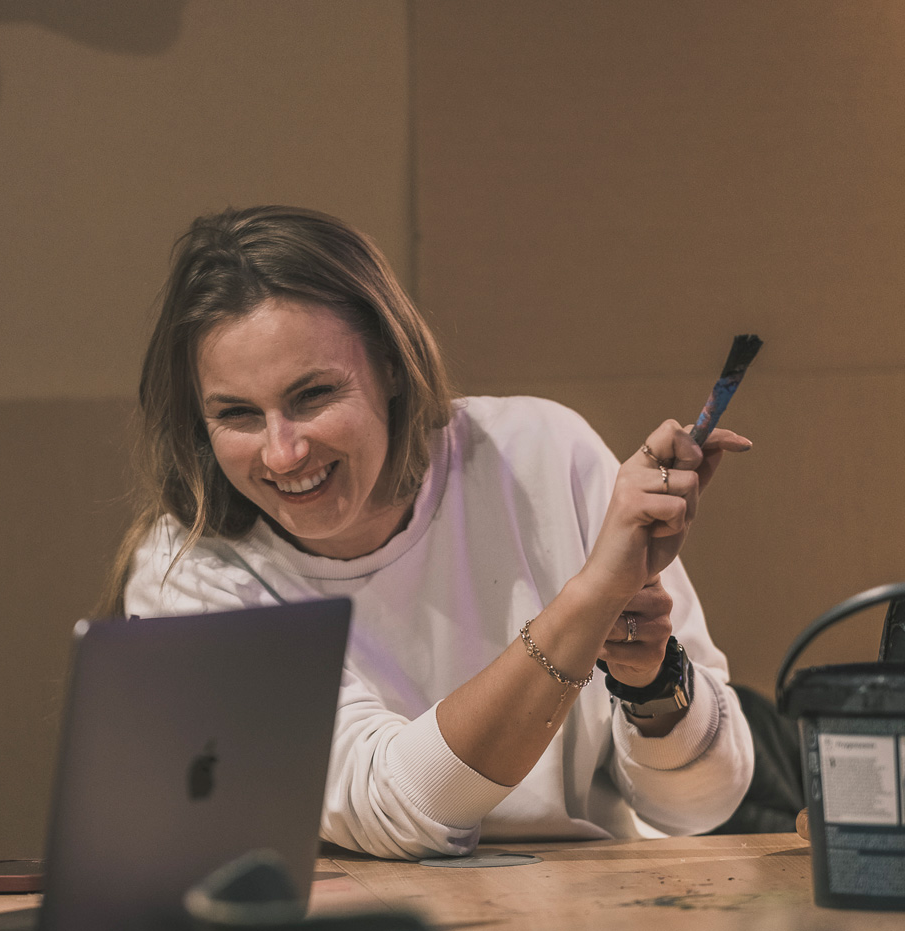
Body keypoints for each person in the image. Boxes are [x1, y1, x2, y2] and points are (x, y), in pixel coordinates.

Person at [105, 204, 754, 861]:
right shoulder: (186, 572)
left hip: (591, 904)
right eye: (238, 414)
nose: (282, 453)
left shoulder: (541, 456)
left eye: (313, 396)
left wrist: (650, 685)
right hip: (357, 918)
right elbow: (393, 808)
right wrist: (589, 602)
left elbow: (704, 804)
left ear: (391, 364)